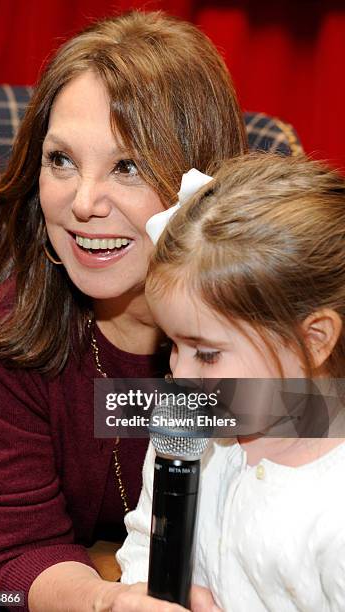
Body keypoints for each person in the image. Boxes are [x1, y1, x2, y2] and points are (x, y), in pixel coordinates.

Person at [0, 10, 247, 612]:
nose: (82, 203)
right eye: (61, 160)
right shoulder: (7, 323)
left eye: (128, 165)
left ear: (201, 182)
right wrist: (105, 603)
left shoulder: (273, 326)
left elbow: (314, 450)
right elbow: (25, 546)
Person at [118, 153, 345, 611]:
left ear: (315, 340)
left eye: (206, 353)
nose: (180, 376)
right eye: (173, 347)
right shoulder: (188, 434)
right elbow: (146, 543)